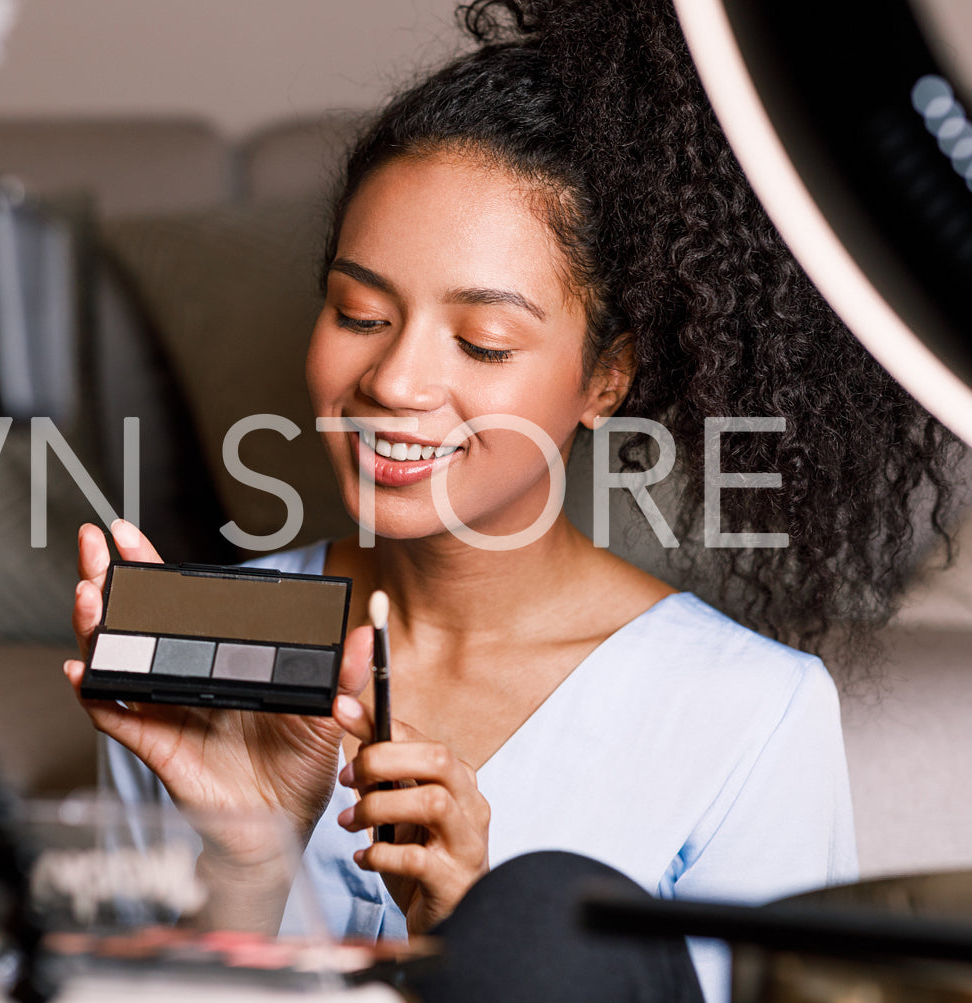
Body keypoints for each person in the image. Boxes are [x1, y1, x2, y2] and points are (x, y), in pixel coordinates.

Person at [62, 0, 963, 999]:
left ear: (604, 377)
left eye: (481, 341)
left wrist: (480, 943)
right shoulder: (193, 660)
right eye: (357, 312)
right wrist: (244, 859)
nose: (394, 382)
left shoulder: (746, 712)